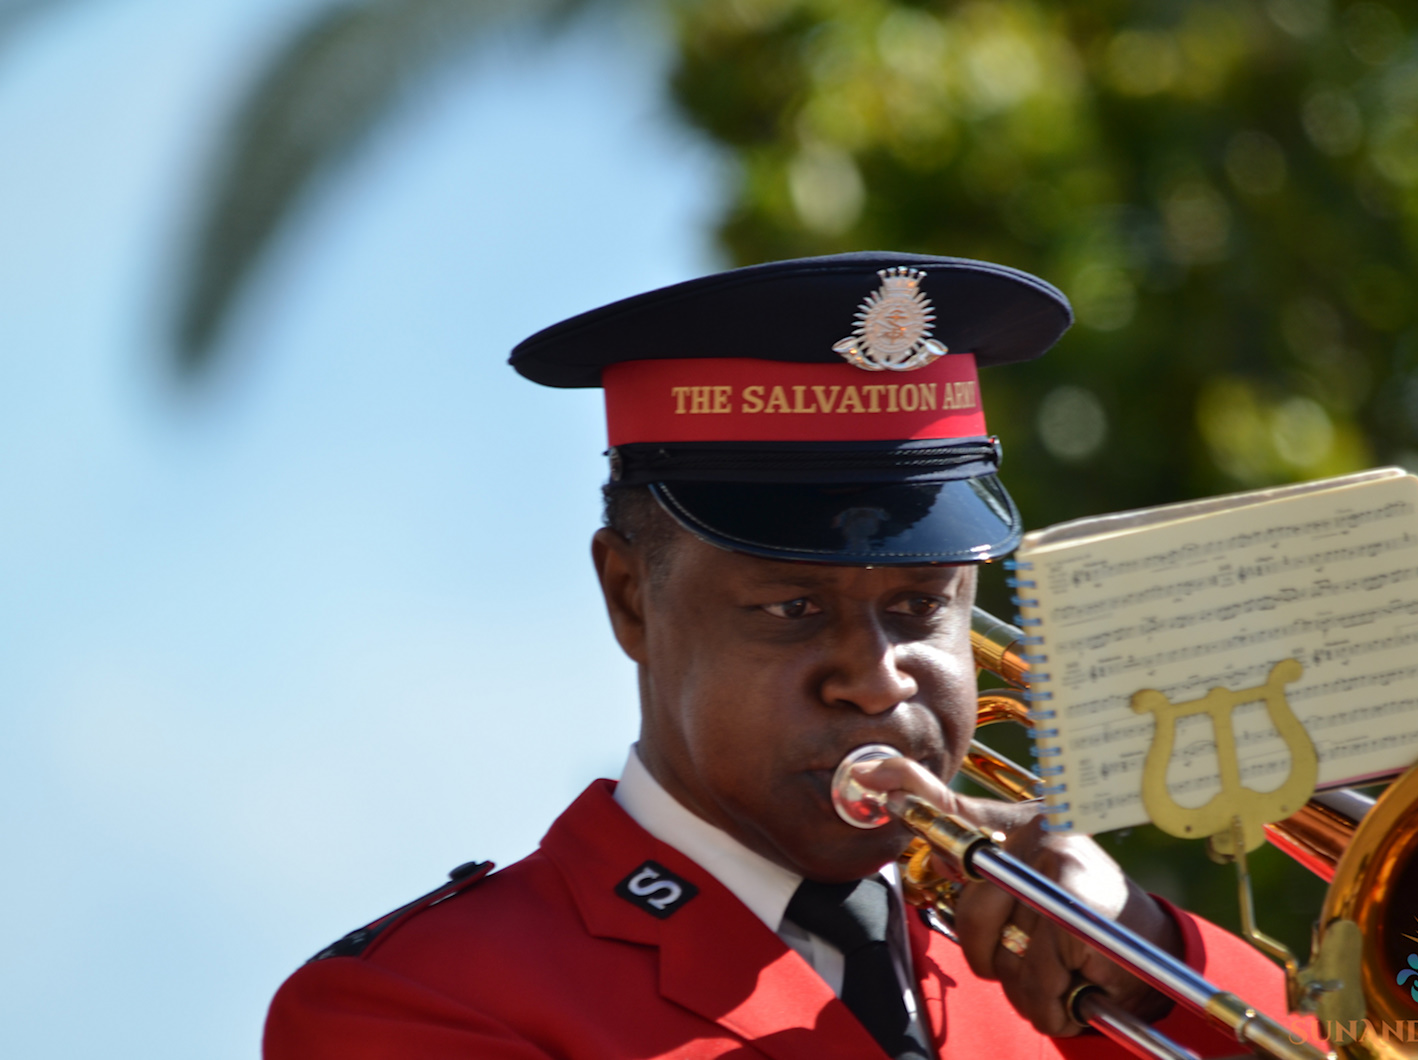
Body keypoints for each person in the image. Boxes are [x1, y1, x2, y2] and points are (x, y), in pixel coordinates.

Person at [263, 252, 1322, 1059]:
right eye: (790, 607)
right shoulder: (423, 1000)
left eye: (921, 605)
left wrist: (1145, 961)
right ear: (630, 596)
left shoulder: (1083, 979)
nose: (875, 676)